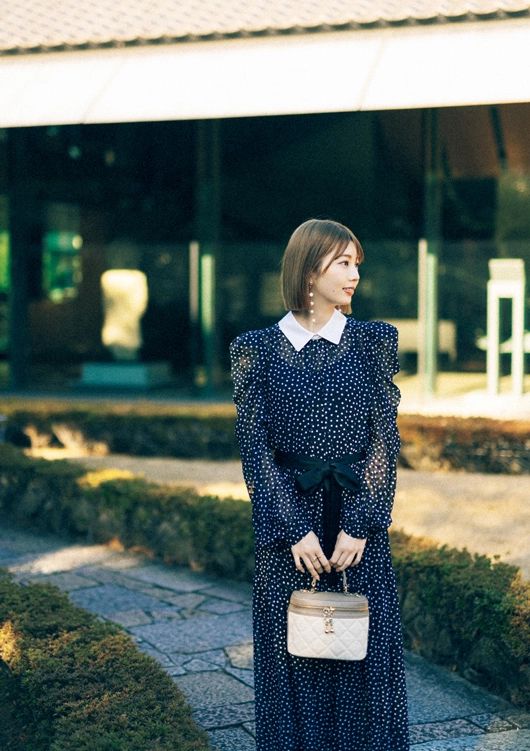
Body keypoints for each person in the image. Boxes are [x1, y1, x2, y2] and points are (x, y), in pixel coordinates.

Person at [230, 218, 409, 751]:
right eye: (343, 263)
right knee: (295, 652)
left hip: (357, 525)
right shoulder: (256, 349)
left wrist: (361, 524)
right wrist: (294, 530)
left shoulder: (373, 341)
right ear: (310, 270)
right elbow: (255, 448)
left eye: (357, 263)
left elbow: (384, 440)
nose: (355, 275)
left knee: (364, 650)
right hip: (289, 529)